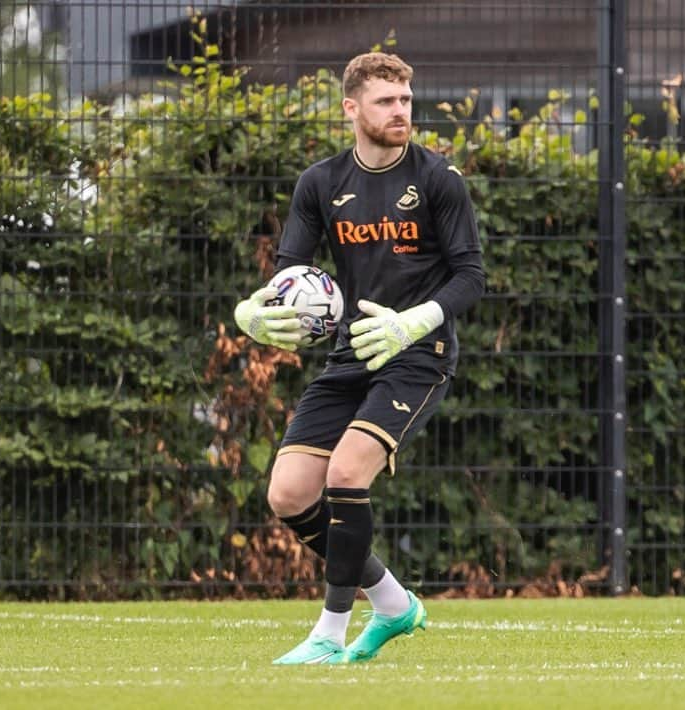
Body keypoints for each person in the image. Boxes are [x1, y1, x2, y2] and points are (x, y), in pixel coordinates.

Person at [233, 52, 485, 665]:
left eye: (405, 100)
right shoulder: (320, 183)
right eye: (386, 102)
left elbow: (471, 276)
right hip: (352, 353)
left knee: (346, 473)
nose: (401, 112)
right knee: (290, 494)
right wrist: (253, 311)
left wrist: (414, 322)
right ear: (352, 108)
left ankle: (329, 634)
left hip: (419, 354)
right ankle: (395, 604)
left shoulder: (437, 180)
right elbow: (289, 269)